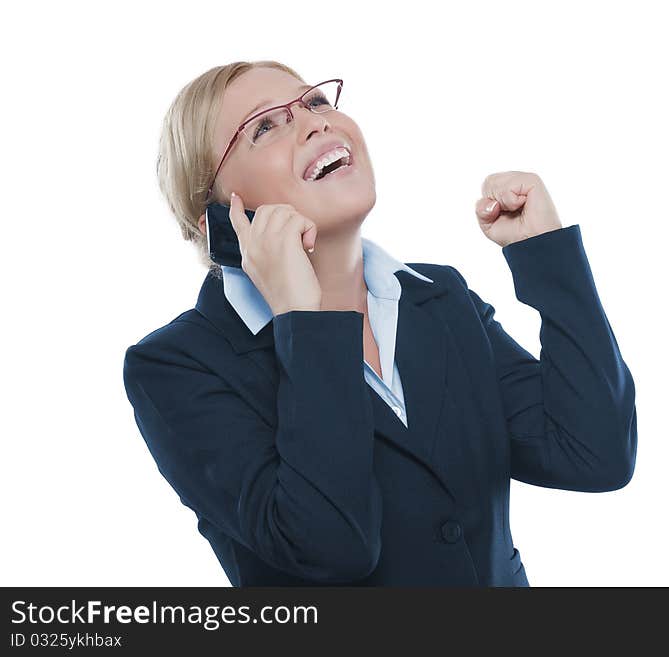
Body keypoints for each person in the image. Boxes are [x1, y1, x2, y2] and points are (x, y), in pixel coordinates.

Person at [122, 60, 638, 587]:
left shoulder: (441, 300)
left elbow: (595, 453)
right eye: (265, 125)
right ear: (217, 210)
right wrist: (304, 318)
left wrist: (547, 256)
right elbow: (332, 545)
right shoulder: (177, 366)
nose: (316, 122)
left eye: (316, 103)